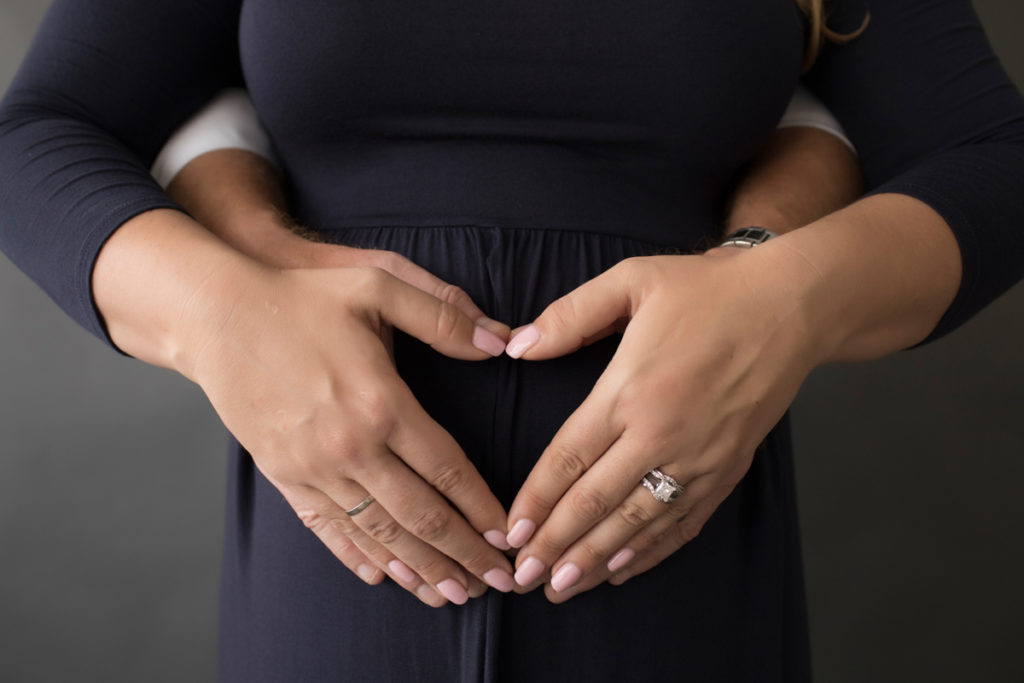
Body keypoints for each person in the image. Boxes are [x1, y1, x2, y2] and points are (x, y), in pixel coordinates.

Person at [0, 2, 1022, 682]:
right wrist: (221, 316)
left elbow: (992, 159)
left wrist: (784, 297)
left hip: (673, 565)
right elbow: (38, 132)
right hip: (342, 571)